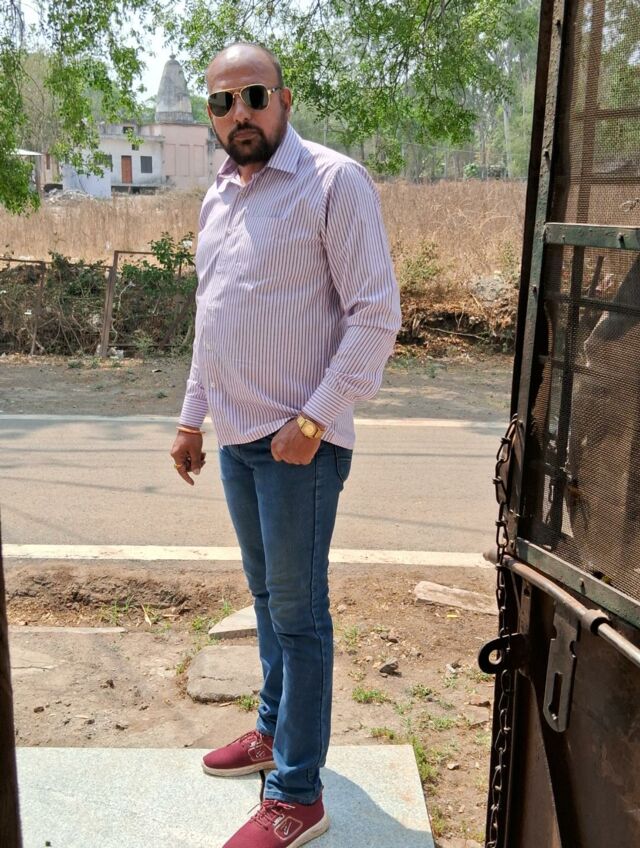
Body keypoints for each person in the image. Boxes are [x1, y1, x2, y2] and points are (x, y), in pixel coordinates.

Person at [170, 41, 401, 848]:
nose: (239, 114)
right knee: (268, 602)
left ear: (284, 100)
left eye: (254, 96)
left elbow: (375, 315)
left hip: (299, 445)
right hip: (237, 440)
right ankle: (272, 732)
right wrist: (192, 418)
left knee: (300, 620)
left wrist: (314, 420)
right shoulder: (218, 196)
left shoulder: (334, 182)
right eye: (222, 102)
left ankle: (298, 794)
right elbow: (214, 319)